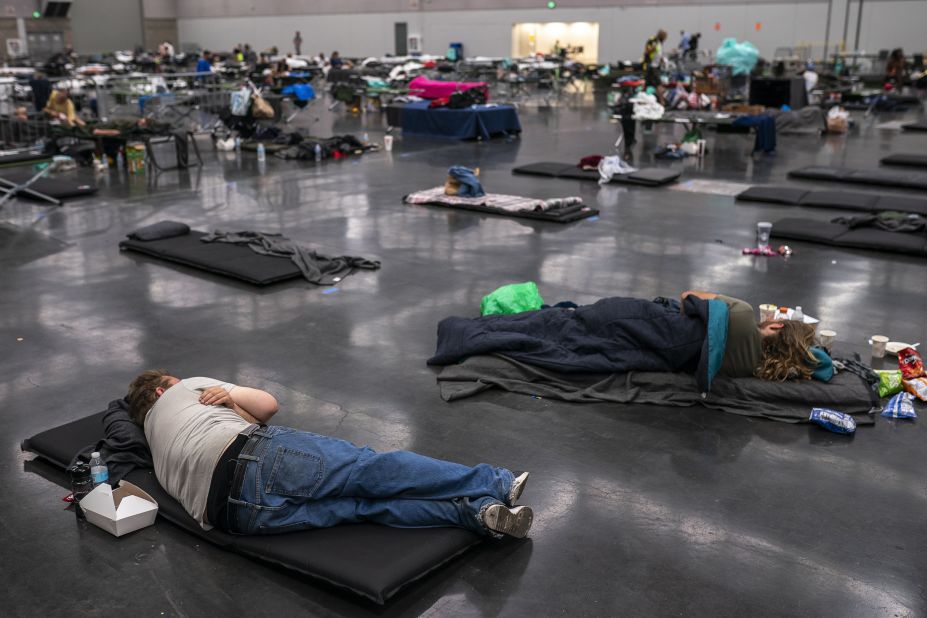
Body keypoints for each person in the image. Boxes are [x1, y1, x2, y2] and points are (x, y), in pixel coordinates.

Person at [126, 371, 534, 539]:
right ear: (162, 389)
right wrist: (230, 394)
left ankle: (478, 514)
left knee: (364, 507)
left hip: (236, 518)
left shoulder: (153, 436)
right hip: (249, 458)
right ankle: (494, 483)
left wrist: (231, 409)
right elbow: (266, 410)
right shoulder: (187, 387)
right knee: (374, 472)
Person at [429, 291, 833, 386]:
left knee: (547, 321)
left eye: (775, 317)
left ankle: (456, 330)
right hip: (638, 350)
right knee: (547, 335)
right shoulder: (745, 370)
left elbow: (687, 297)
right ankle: (465, 336)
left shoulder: (743, 314)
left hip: (633, 318)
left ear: (777, 327)